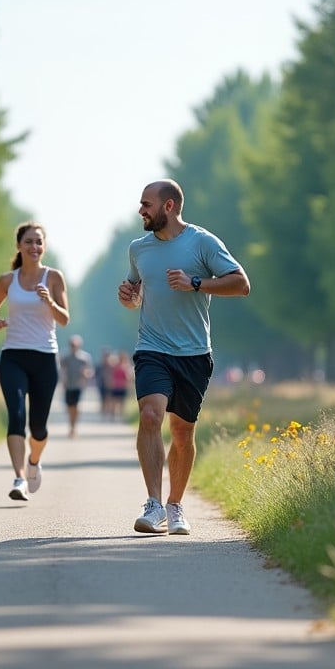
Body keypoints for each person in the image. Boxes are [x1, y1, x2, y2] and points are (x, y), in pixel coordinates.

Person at [117, 179, 250, 535]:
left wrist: (196, 283)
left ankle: (175, 505)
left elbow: (241, 283)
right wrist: (129, 297)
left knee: (182, 430)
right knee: (150, 415)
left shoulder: (202, 242)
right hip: (152, 348)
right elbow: (134, 295)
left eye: (147, 204)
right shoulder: (138, 249)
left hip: (193, 352)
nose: (141, 210)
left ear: (169, 206)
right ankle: (154, 503)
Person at [0, 222, 70, 501]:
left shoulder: (54, 277)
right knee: (16, 417)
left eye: (39, 242)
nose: (34, 247)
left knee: (39, 427)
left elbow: (64, 319)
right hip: (13, 355)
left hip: (45, 358)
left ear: (43, 247)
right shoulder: (7, 280)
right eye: (29, 242)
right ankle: (19, 477)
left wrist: (49, 301)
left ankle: (34, 461)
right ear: (19, 246)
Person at [59, 334, 94, 437]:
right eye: (71, 344)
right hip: (68, 385)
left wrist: (86, 374)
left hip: (79, 385)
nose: (73, 346)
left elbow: (90, 371)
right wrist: (62, 380)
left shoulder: (84, 357)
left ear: (79, 345)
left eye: (75, 345)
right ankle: (71, 425)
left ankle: (74, 427)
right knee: (69, 407)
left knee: (76, 406)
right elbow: (61, 370)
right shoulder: (65, 357)